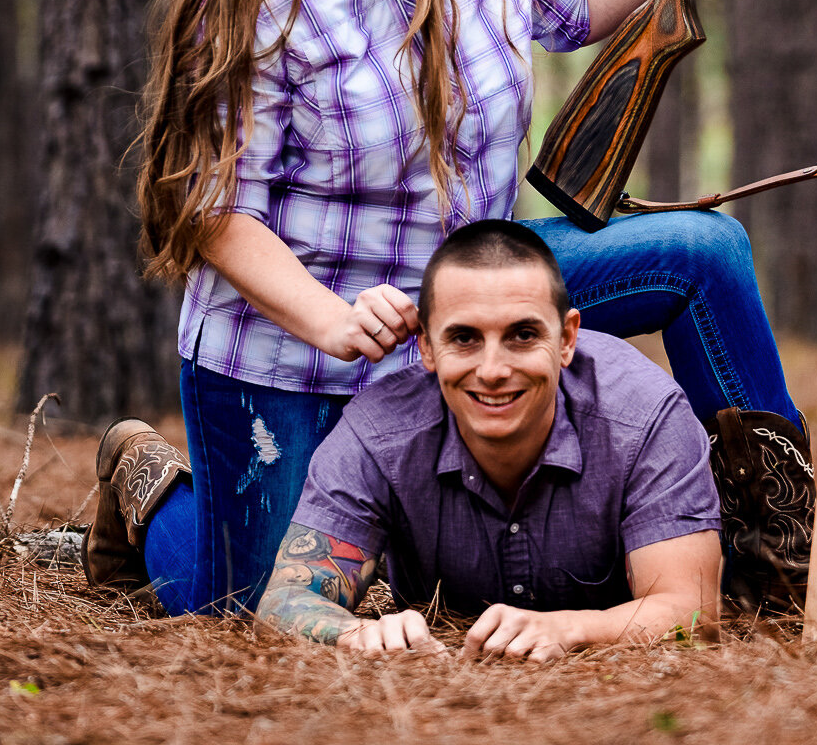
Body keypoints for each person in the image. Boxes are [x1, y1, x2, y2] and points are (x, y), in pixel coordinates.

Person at [82, 0, 811, 616]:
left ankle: (769, 556)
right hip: (303, 343)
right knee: (251, 608)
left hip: (474, 299)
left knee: (702, 254)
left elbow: (572, 4)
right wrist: (328, 320)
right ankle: (149, 489)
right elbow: (210, 208)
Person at [254, 219, 722, 659]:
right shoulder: (377, 434)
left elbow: (692, 613)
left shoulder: (644, 417)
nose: (494, 371)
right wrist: (358, 635)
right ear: (427, 348)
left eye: (522, 334)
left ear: (566, 339)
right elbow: (286, 601)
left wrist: (571, 629)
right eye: (464, 338)